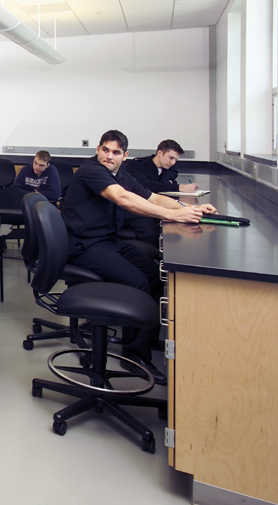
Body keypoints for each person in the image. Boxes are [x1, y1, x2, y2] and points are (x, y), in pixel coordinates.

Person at [61, 130, 217, 384]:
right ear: (98, 149)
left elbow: (152, 196)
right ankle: (133, 355)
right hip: (83, 245)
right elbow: (123, 198)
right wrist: (174, 217)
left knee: (155, 276)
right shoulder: (91, 170)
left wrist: (189, 208)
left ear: (125, 155)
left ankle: (144, 338)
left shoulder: (120, 173)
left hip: (108, 241)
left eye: (116, 152)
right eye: (105, 150)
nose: (109, 156)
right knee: (137, 282)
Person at [121, 140, 194, 245]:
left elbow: (162, 182)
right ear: (160, 153)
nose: (173, 162)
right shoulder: (137, 165)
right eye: (171, 158)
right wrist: (176, 187)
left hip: (156, 203)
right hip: (137, 207)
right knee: (152, 233)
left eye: (176, 160)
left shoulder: (171, 169)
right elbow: (146, 185)